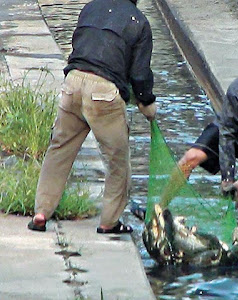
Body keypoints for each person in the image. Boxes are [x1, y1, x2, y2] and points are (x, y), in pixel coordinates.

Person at [132, 49, 238, 257]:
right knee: (190, 158)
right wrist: (227, 178)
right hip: (232, 131)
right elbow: (226, 134)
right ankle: (155, 212)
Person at [28, 0, 157, 234]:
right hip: (103, 93)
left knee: (59, 148)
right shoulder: (138, 21)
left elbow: (78, 44)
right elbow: (140, 75)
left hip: (73, 82)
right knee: (117, 161)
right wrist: (146, 102)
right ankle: (109, 222)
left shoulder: (90, 8)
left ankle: (41, 212)